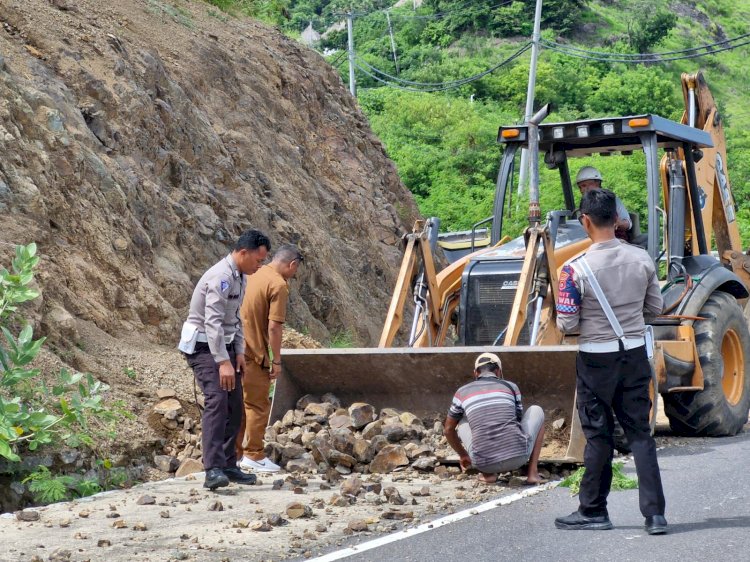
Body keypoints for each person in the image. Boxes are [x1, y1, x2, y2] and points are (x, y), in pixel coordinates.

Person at [555, 188, 666, 535]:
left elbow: (567, 323)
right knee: (640, 435)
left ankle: (593, 511)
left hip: (595, 361)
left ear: (585, 221)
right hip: (634, 355)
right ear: (617, 220)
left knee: (598, 436)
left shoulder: (572, 271)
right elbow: (656, 309)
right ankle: (655, 516)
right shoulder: (642, 259)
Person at [179, 229, 270, 490]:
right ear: (243, 253)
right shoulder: (221, 277)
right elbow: (213, 322)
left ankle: (230, 464)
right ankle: (213, 469)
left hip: (222, 345)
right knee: (217, 400)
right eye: (258, 260)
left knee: (234, 405)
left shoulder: (240, 276)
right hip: (202, 345)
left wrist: (239, 353)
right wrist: (223, 362)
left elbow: (235, 319)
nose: (260, 265)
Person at [237, 244, 303, 473]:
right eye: (295, 270)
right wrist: (276, 360)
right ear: (292, 264)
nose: (293, 275)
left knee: (239, 403)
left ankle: (235, 454)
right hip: (254, 354)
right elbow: (274, 327)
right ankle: (253, 454)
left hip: (236, 349)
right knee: (257, 405)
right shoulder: (278, 285)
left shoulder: (254, 273)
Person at [444, 352, 546, 485]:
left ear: (476, 373)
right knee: (536, 410)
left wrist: (463, 455)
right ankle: (532, 473)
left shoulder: (461, 392)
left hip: (483, 464)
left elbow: (448, 430)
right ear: (498, 372)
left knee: (462, 421)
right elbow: (517, 420)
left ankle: (488, 475)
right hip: (519, 458)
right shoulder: (511, 386)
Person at [575, 166, 632, 239]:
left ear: (597, 183)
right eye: (580, 187)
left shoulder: (612, 200)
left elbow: (628, 224)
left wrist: (619, 223)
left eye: (585, 185)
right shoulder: (584, 204)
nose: (583, 190)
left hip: (617, 241)